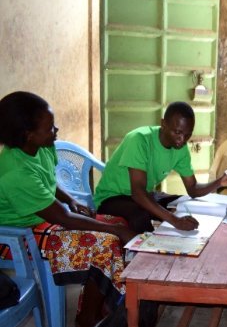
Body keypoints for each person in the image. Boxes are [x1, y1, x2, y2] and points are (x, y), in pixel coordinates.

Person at [0, 91, 137, 327]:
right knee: (104, 242)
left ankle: (95, 305)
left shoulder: (42, 147)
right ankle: (86, 320)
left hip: (44, 216)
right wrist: (114, 232)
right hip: (17, 234)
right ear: (28, 135)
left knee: (119, 223)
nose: (56, 130)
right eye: (50, 127)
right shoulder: (15, 172)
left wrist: (70, 198)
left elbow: (48, 183)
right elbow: (64, 217)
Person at [94, 101, 227, 233]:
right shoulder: (139, 140)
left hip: (144, 194)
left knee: (182, 204)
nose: (182, 140)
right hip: (112, 198)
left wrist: (219, 182)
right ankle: (145, 254)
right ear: (163, 124)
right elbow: (138, 193)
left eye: (188, 134)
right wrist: (176, 221)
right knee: (139, 216)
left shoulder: (181, 149)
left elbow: (192, 189)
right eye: (177, 132)